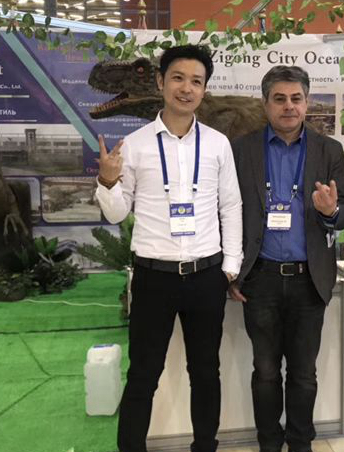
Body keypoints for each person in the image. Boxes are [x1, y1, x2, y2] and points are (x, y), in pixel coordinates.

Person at [94, 45, 243, 452]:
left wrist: (230, 265)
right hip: (153, 278)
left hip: (205, 276)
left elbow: (231, 205)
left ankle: (204, 446)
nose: (186, 88)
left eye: (196, 81)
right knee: (143, 374)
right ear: (161, 82)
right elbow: (117, 213)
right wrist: (107, 182)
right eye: (178, 78)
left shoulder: (218, 144)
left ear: (204, 89)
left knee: (205, 373)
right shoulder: (135, 145)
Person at [228, 66, 344, 452]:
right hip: (260, 278)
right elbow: (227, 211)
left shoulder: (329, 150)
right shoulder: (242, 149)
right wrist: (232, 271)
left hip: (308, 279)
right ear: (265, 103)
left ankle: (300, 443)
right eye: (279, 99)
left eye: (296, 98)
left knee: (303, 374)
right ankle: (269, 443)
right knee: (265, 372)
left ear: (307, 102)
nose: (288, 106)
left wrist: (331, 211)